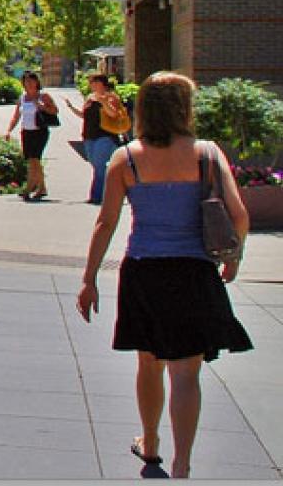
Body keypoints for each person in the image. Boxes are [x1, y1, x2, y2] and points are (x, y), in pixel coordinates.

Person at [77, 72, 252, 479]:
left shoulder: (127, 157)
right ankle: (182, 464)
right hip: (193, 271)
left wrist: (89, 279)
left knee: (149, 361)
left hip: (144, 271)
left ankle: (151, 442)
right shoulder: (207, 153)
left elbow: (105, 223)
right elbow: (239, 215)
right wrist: (235, 257)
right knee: (187, 373)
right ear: (184, 108)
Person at [66, 73, 131, 205]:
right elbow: (84, 115)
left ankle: (97, 196)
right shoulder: (90, 98)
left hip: (105, 136)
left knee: (100, 166)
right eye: (90, 82)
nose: (91, 85)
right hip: (89, 136)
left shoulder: (111, 96)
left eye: (93, 82)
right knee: (95, 164)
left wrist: (104, 102)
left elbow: (114, 114)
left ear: (102, 83)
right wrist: (71, 107)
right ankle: (112, 191)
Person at [4, 71, 59, 200]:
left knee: (35, 158)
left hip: (39, 131)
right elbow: (16, 116)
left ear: (36, 82)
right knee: (31, 160)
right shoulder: (23, 97)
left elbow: (55, 110)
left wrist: (42, 106)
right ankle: (42, 187)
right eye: (25, 81)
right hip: (26, 131)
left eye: (31, 80)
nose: (28, 83)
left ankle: (29, 188)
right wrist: (9, 130)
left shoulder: (43, 96)